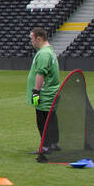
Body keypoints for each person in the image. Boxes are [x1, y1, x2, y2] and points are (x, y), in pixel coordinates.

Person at [27, 26, 62, 160]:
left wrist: (36, 91)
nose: (31, 41)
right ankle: (53, 143)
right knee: (51, 119)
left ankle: (46, 146)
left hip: (45, 94)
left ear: (39, 38)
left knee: (43, 120)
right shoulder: (49, 51)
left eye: (32, 39)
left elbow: (40, 73)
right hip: (50, 93)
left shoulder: (43, 54)